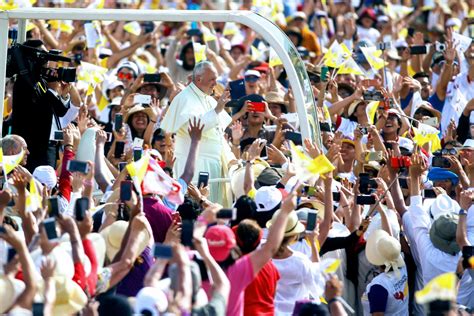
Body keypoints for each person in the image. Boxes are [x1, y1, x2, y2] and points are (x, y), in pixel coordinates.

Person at [160, 61, 233, 206]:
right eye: (212, 79)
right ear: (199, 79)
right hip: (195, 163)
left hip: (214, 163)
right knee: (196, 207)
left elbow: (219, 132)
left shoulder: (209, 99)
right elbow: (193, 128)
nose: (215, 83)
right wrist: (217, 110)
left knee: (212, 207)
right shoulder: (185, 98)